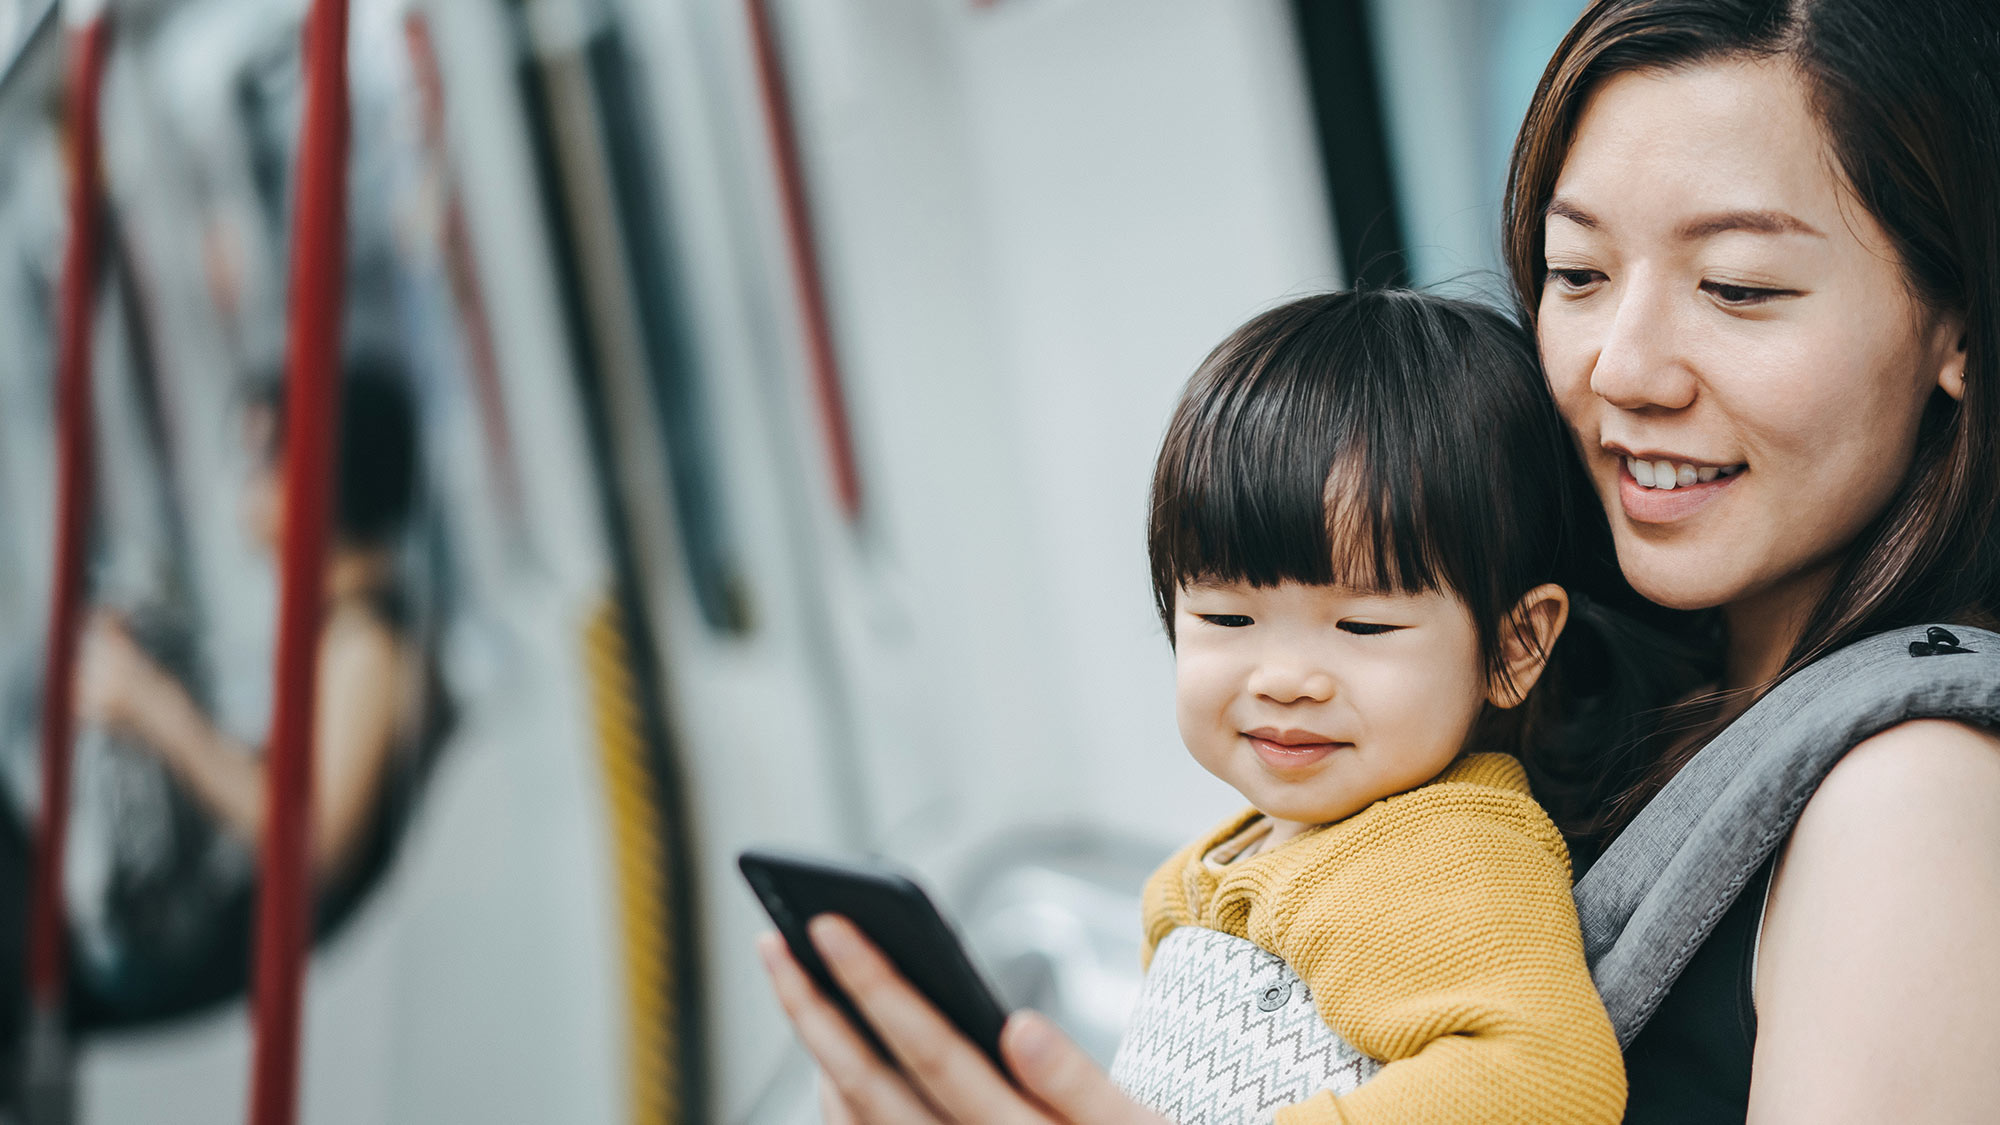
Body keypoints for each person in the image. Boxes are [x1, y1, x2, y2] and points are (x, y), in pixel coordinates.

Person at [756, 1, 2000, 1122]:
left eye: (1735, 287)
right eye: (1575, 273)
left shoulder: (1913, 790)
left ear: (1955, 326)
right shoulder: (1605, 711)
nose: (1620, 365)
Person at [1106, 289, 1624, 1123]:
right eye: (1227, 616)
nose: (1284, 678)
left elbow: (1545, 1073)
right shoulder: (1208, 870)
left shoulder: (1450, 850)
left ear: (1516, 644)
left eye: (1363, 624)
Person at [73, 360, 443, 913]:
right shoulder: (338, 628)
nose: (243, 487)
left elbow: (316, 840)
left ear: (325, 471)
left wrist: (156, 709)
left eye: (259, 462)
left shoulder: (366, 645)